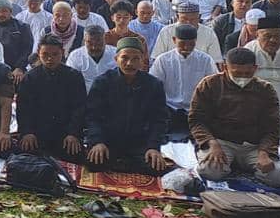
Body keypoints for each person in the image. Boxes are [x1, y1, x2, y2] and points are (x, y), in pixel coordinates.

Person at [188, 47, 280, 187]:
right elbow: (196, 120)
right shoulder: (209, 84)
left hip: (254, 146)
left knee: (277, 177)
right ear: (225, 67)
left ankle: (241, 163)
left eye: (247, 74)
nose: (242, 78)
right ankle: (221, 159)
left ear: (255, 69)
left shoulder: (266, 89)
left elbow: (273, 127)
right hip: (221, 142)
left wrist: (265, 152)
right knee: (211, 172)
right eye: (237, 73)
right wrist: (211, 143)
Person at [82, 38, 170, 175]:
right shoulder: (103, 82)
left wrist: (153, 147)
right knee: (94, 163)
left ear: (143, 60)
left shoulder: (153, 85)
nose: (129, 63)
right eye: (125, 58)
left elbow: (159, 120)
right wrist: (97, 142)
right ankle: (123, 163)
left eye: (136, 59)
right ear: (116, 58)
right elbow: (92, 116)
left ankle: (124, 163)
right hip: (108, 141)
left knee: (156, 167)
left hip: (139, 143)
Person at [13, 36, 86, 158]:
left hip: (65, 134)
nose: (50, 59)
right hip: (37, 133)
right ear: (38, 54)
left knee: (83, 160)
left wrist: (73, 133)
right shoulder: (30, 77)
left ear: (62, 53)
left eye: (55, 54)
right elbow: (23, 108)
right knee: (24, 161)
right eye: (45, 54)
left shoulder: (74, 76)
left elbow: (79, 108)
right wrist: (27, 132)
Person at [149, 24, 218, 141]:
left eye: (191, 44)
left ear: (196, 41)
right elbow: (153, 87)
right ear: (174, 40)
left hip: (196, 109)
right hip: (169, 108)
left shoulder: (206, 60)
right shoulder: (163, 60)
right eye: (182, 43)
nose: (186, 47)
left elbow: (213, 86)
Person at [151, 2, 223, 64]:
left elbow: (215, 61)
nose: (188, 23)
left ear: (199, 17)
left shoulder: (209, 33)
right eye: (184, 19)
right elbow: (157, 58)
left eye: (192, 19)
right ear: (177, 17)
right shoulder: (166, 32)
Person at [0, 0, 32, 83]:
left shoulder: (22, 27)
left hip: (15, 70)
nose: (1, 14)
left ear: (10, 11)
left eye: (4, 11)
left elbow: (27, 49)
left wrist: (19, 68)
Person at [66, 25, 117, 92]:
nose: (94, 47)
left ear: (105, 39)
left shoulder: (116, 54)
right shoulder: (75, 56)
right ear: (84, 41)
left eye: (99, 43)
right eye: (89, 43)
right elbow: (70, 81)